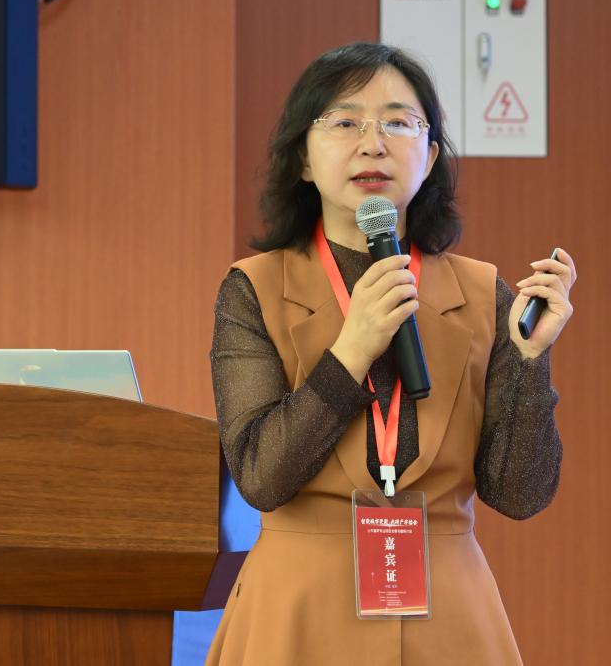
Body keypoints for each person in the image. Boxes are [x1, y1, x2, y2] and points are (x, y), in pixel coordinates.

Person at [205, 42, 575, 665]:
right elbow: (262, 477)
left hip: (448, 614)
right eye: (344, 122)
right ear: (303, 157)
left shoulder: (483, 294)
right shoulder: (254, 289)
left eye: (399, 123)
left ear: (428, 158)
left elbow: (520, 495)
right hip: (296, 613)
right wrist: (352, 352)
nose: (373, 144)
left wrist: (529, 364)